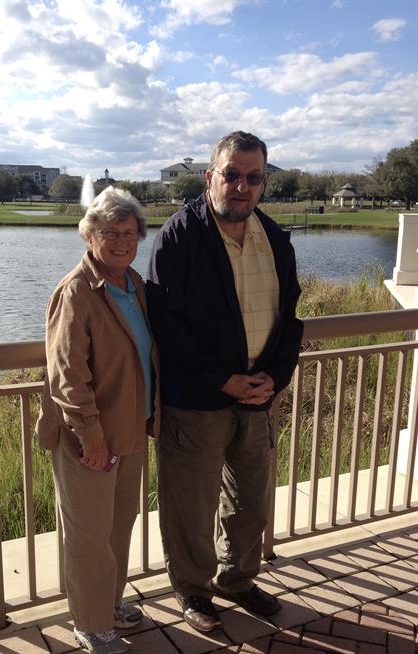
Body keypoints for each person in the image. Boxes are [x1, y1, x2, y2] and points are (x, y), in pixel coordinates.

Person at [146, 131, 303, 632]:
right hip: (197, 402)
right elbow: (167, 326)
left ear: (263, 183)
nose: (242, 186)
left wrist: (274, 377)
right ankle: (193, 589)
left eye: (254, 177)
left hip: (258, 397)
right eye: (231, 174)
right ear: (210, 176)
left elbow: (291, 319)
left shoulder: (274, 237)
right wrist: (223, 381)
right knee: (191, 506)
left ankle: (236, 580)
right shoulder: (179, 236)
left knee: (250, 501)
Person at [36, 186, 160, 654]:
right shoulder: (76, 292)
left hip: (130, 431)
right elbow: (67, 376)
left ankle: (108, 605)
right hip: (89, 439)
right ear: (89, 236)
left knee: (119, 525)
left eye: (129, 233)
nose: (122, 241)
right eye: (110, 233)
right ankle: (90, 623)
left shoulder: (134, 285)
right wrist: (90, 435)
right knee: (89, 536)